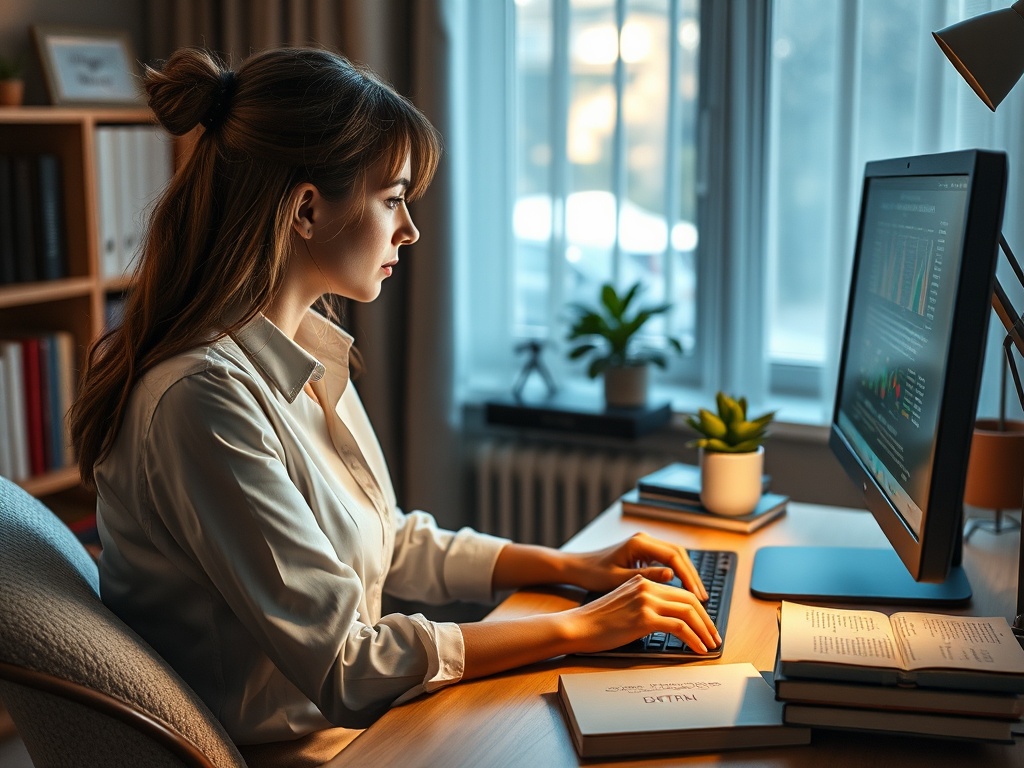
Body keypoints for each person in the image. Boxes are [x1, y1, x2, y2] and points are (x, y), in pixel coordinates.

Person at [70, 46, 719, 766]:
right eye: (393, 199)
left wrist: (571, 567)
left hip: (356, 732)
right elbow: (351, 666)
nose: (409, 229)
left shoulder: (306, 352)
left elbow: (388, 539)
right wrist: (581, 627)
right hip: (313, 751)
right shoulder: (204, 402)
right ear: (308, 209)